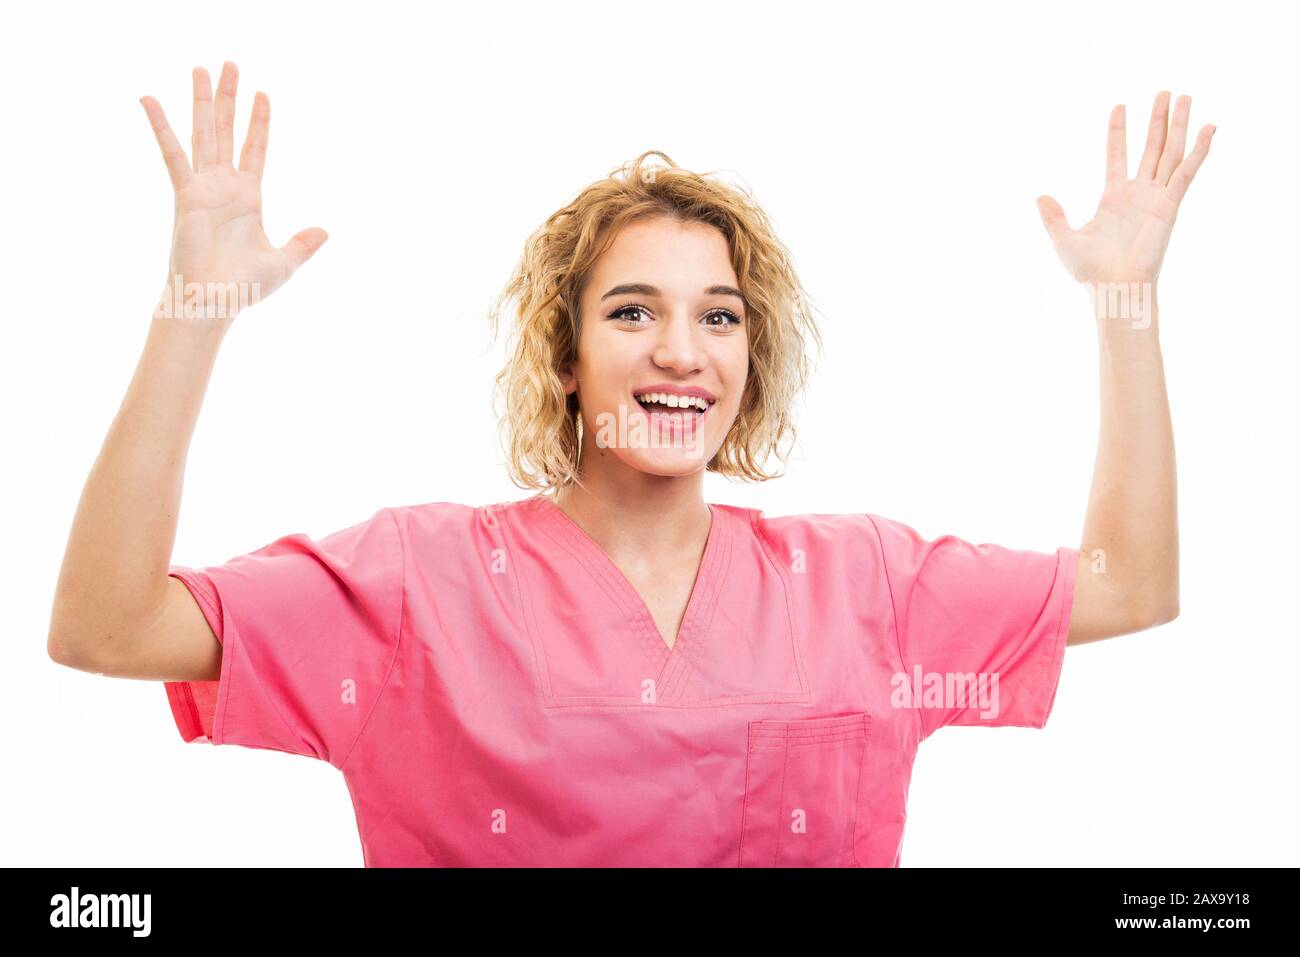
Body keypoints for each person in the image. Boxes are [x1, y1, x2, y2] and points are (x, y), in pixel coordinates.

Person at [46, 61, 1213, 867]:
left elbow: (1129, 586)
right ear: (564, 357)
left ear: (750, 359)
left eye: (719, 317)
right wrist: (194, 310)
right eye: (630, 312)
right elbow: (105, 629)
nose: (678, 351)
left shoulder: (868, 584)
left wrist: (1125, 305)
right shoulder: (413, 586)